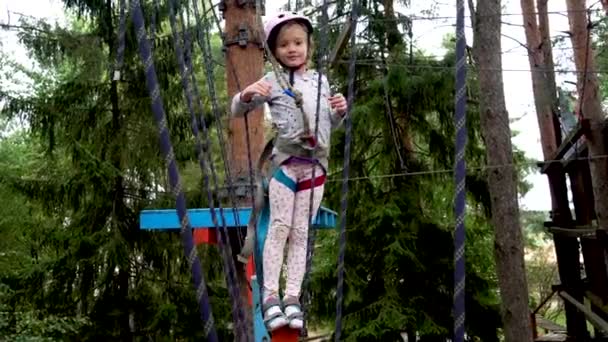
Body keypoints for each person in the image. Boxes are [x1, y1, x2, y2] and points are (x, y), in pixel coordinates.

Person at [230, 11, 348, 331]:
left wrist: (339, 112)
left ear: (308, 45)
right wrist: (247, 94)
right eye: (284, 45)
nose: (292, 49)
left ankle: (292, 297)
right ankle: (270, 297)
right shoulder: (272, 81)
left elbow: (328, 126)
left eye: (298, 42)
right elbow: (236, 109)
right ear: (274, 50)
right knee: (279, 228)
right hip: (285, 166)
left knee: (300, 232)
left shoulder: (321, 83)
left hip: (315, 169)